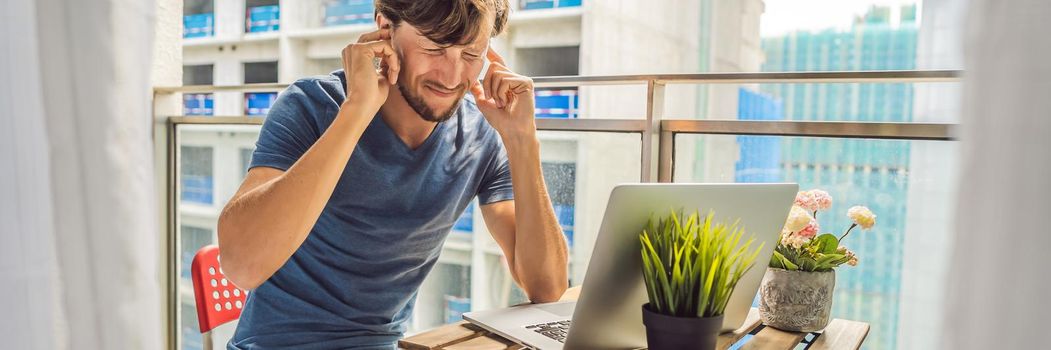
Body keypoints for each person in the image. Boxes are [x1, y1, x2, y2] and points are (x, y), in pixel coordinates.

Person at [216, 0, 569, 348]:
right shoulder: (311, 105)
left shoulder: (479, 135)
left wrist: (522, 140)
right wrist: (357, 110)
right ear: (385, 30)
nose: (452, 76)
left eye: (471, 55)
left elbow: (546, 288)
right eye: (434, 48)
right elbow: (241, 266)